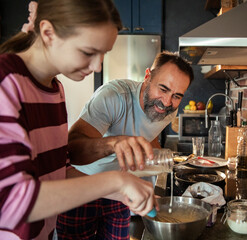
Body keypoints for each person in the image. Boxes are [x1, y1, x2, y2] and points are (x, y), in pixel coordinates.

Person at [0, 1, 158, 239]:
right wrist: (115, 182)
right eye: (88, 52)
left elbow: (59, 172)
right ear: (48, 33)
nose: (97, 66)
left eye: (103, 54)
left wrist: (122, 192)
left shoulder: (55, 90)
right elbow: (11, 202)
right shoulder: (6, 83)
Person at [56, 51, 194, 239]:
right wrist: (115, 143)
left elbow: (148, 135)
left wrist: (159, 159)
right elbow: (73, 150)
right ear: (147, 76)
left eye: (177, 95)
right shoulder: (114, 97)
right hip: (82, 185)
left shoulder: (168, 110)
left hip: (120, 189)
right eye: (163, 89)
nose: (167, 102)